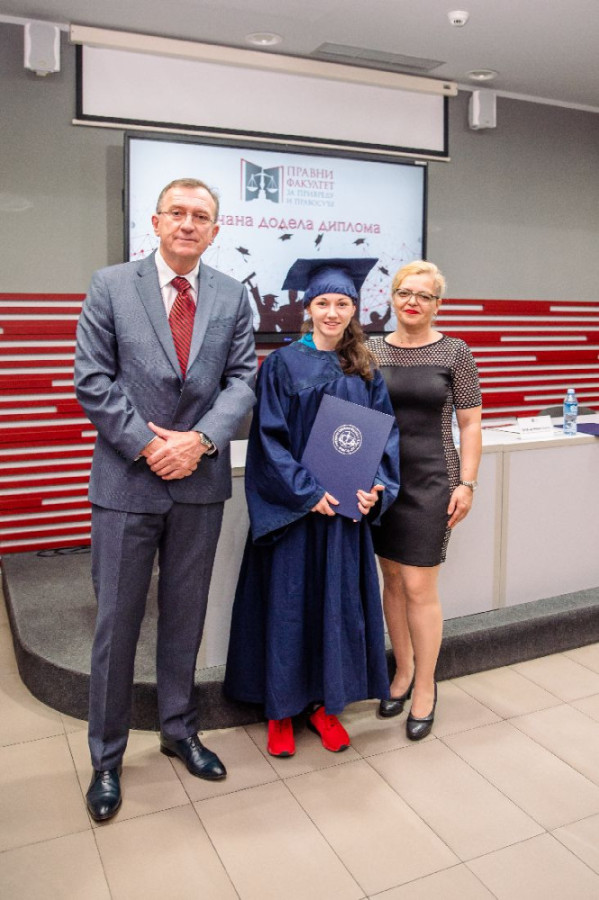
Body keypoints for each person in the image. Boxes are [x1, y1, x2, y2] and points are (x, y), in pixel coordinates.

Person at [74, 178, 256, 821]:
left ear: (215, 230)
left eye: (200, 216)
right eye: (177, 212)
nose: (187, 223)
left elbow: (242, 379)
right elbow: (92, 379)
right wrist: (151, 446)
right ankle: (106, 757)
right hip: (127, 481)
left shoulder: (231, 294)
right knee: (116, 624)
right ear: (155, 222)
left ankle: (179, 730)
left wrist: (200, 441)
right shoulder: (110, 286)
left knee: (185, 617)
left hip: (199, 484)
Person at [224, 258, 400, 758]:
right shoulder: (281, 365)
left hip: (344, 516)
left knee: (336, 609)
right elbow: (269, 440)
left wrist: (376, 488)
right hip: (297, 513)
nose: (332, 312)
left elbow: (384, 437)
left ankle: (326, 706)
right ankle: (280, 711)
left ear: (354, 309)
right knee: (289, 608)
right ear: (308, 308)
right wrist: (307, 492)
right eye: (323, 303)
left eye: (342, 303)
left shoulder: (364, 368)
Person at [367, 260, 481, 740]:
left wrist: (467, 483)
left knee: (418, 585)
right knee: (391, 580)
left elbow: (470, 424)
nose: (412, 302)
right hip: (382, 483)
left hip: (434, 480)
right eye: (404, 293)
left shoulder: (456, 352)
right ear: (392, 297)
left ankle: (426, 688)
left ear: (438, 304)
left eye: (423, 295)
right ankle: (403, 670)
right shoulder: (370, 350)